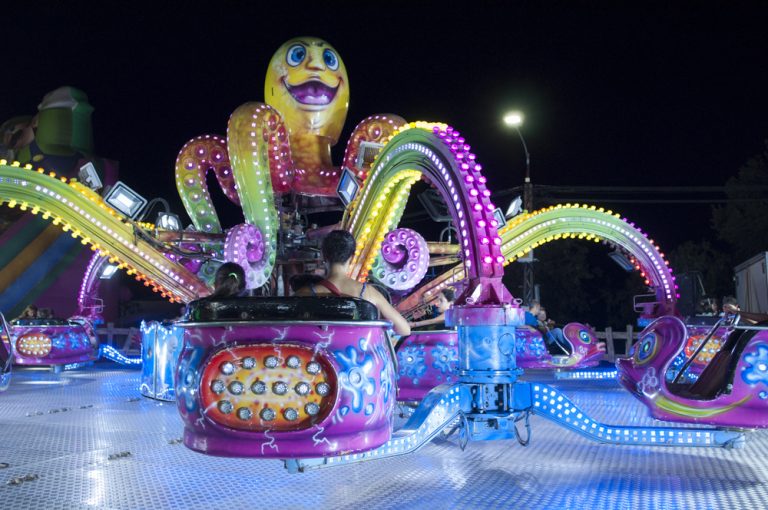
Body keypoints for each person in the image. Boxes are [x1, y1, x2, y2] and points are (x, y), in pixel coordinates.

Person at [294, 230, 410, 336]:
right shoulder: (368, 293)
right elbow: (404, 329)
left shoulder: (305, 293)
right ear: (352, 257)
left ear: (324, 255)